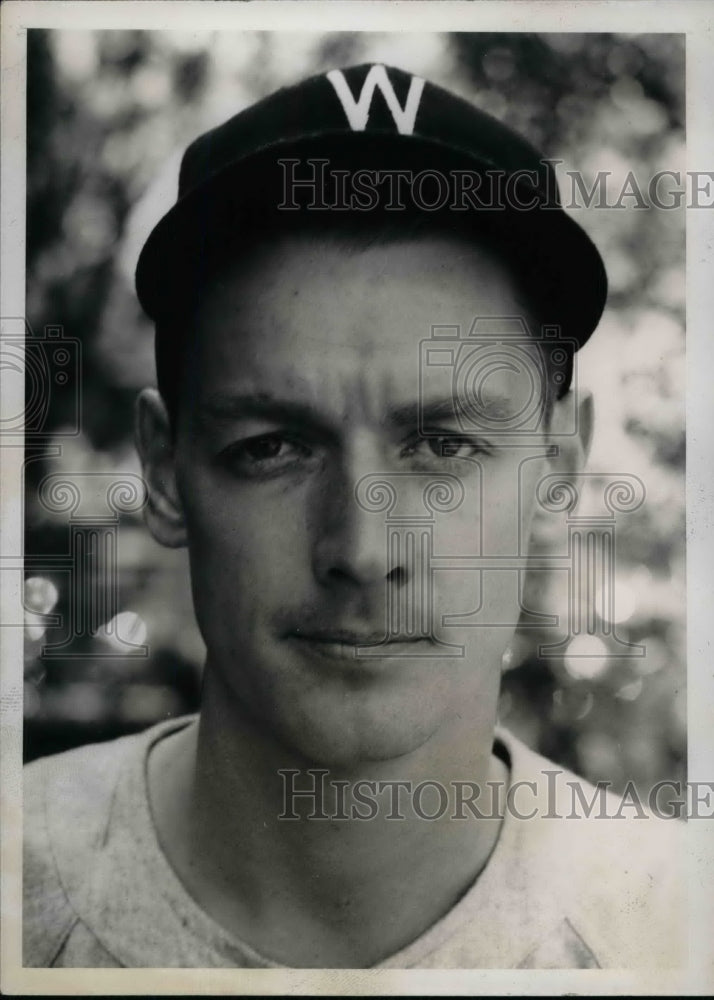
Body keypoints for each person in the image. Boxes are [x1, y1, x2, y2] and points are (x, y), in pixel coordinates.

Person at [23, 62, 684, 970]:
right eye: (273, 447)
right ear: (165, 474)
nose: (364, 550)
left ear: (555, 470)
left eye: (444, 444)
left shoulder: (681, 933)